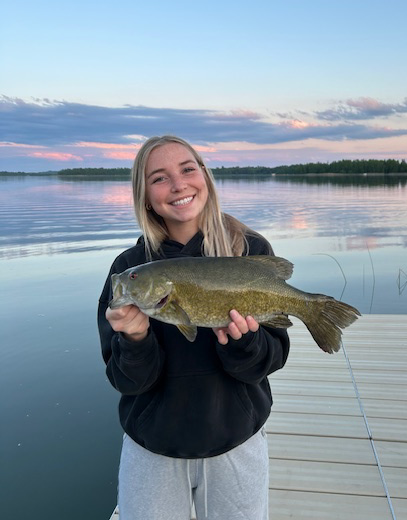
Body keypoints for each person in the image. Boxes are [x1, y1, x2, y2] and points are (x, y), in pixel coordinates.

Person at [98, 135, 290, 520]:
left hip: (236, 440)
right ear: (145, 195)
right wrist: (135, 339)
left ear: (205, 175)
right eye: (159, 178)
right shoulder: (130, 267)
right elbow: (126, 381)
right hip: (153, 449)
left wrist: (243, 344)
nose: (178, 184)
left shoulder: (249, 249)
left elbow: (268, 362)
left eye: (188, 169)